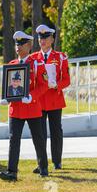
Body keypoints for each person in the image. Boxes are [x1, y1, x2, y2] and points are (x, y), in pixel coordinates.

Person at [0, 31, 49, 181]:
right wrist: (6, 98)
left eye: (21, 44)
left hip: (32, 107)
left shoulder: (37, 64)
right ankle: (12, 172)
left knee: (38, 139)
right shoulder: (12, 65)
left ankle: (43, 167)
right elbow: (10, 86)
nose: (18, 47)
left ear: (29, 45)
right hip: (16, 109)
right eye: (16, 44)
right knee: (14, 140)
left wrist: (32, 96)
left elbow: (44, 85)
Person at [31, 24, 70, 171]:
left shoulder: (60, 57)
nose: (43, 41)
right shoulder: (34, 58)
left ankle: (57, 161)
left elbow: (66, 80)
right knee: (39, 134)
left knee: (56, 132)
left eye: (46, 38)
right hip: (39, 101)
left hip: (54, 99)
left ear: (52, 39)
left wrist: (57, 85)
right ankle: (41, 163)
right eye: (40, 38)